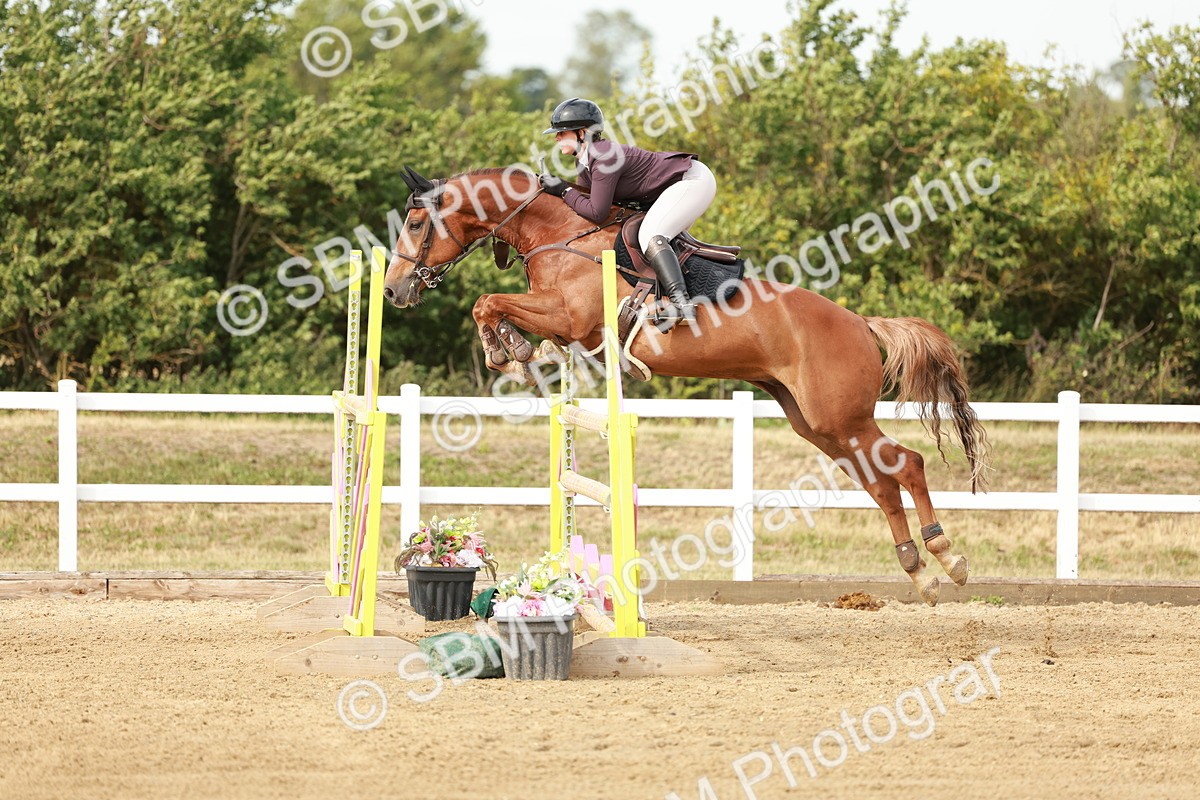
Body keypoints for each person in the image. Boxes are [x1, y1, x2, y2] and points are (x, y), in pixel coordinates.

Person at [538, 97, 717, 325]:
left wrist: (562, 189)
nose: (556, 138)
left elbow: (597, 211)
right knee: (650, 240)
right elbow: (584, 207)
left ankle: (682, 304)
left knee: (650, 235)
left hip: (692, 181)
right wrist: (556, 192)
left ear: (581, 133)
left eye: (562, 133)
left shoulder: (603, 156)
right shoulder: (584, 163)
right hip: (674, 188)